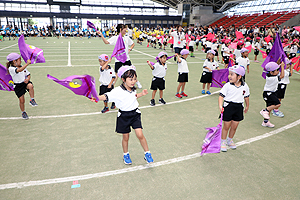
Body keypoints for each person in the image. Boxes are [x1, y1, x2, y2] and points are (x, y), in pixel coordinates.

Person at [91, 65, 153, 165]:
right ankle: (126, 154)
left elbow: (133, 97)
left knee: (140, 134)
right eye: (131, 79)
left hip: (135, 114)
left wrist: (141, 94)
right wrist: (96, 98)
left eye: (135, 79)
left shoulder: (132, 88)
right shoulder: (117, 91)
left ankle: (147, 153)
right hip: (124, 116)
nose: (133, 81)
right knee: (126, 137)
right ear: (123, 79)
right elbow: (107, 96)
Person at [97, 24, 142, 88]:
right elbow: (106, 42)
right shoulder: (115, 38)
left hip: (126, 58)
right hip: (118, 59)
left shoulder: (126, 37)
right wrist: (101, 35)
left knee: (131, 72)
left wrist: (130, 49)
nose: (126, 30)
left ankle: (137, 82)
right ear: (120, 29)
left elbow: (133, 44)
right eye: (124, 29)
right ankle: (113, 85)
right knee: (117, 73)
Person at [219, 65, 250, 152]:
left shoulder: (245, 86)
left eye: (232, 74)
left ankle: (230, 139)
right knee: (226, 126)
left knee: (234, 126)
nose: (229, 76)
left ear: (239, 77)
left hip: (239, 107)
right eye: (229, 74)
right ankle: (223, 141)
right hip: (228, 107)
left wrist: (247, 105)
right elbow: (221, 96)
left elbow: (246, 96)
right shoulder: (227, 85)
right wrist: (220, 106)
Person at [6, 53, 37, 119]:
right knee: (22, 101)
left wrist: (27, 79)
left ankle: (32, 100)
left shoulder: (22, 67)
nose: (21, 61)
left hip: (24, 83)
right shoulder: (11, 68)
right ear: (14, 61)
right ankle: (23, 112)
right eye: (19, 60)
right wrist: (27, 64)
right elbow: (19, 70)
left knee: (30, 86)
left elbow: (28, 74)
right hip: (18, 86)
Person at [260, 61, 285, 128]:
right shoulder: (274, 78)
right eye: (277, 70)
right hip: (269, 94)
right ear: (271, 72)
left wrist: (279, 63)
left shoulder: (270, 75)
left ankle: (265, 122)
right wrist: (282, 67)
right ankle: (264, 110)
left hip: (268, 93)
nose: (278, 71)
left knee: (270, 108)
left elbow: (275, 68)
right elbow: (282, 76)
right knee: (278, 104)